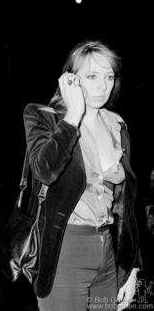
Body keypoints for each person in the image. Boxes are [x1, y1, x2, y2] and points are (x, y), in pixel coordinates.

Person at [23, 39, 141, 311]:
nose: (103, 86)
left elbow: (127, 204)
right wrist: (74, 114)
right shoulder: (44, 117)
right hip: (65, 249)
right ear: (70, 80)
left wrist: (133, 267)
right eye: (92, 76)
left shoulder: (117, 123)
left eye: (109, 76)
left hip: (108, 251)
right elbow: (44, 171)